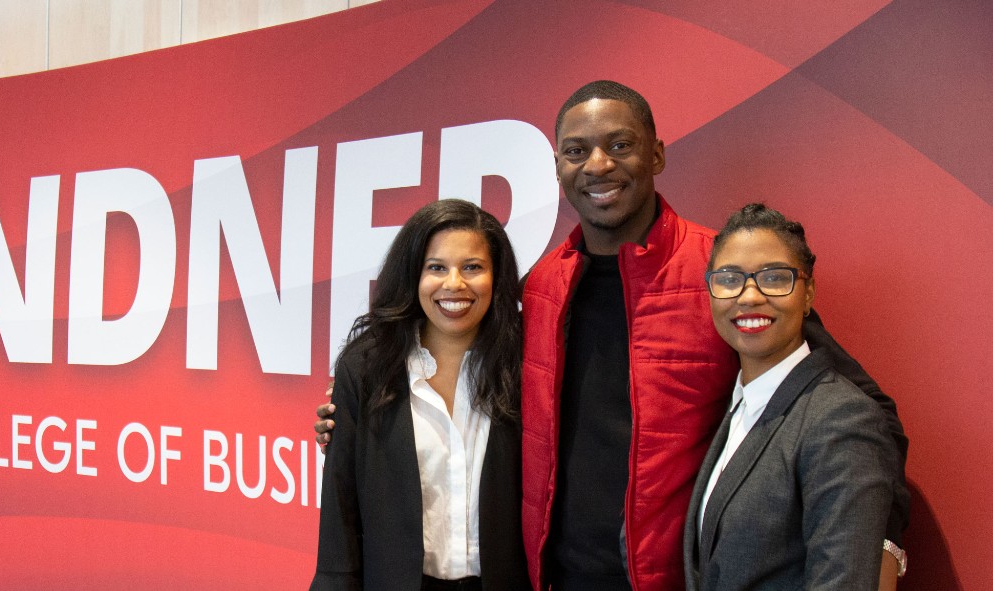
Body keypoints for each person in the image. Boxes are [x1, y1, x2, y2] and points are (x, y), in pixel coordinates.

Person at [318, 80, 908, 590]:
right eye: (576, 151)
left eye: (619, 145)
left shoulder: (723, 275)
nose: (597, 165)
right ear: (557, 167)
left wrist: (880, 542)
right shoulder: (543, 286)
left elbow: (859, 412)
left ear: (656, 154)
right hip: (556, 578)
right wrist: (354, 425)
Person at [311, 199, 532, 590]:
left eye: (472, 267)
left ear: (496, 277)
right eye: (436, 267)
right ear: (413, 274)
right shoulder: (366, 368)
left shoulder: (528, 362)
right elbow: (341, 505)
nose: (454, 284)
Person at [684, 203, 896, 590]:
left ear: (808, 292)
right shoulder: (739, 408)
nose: (748, 296)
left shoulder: (842, 420)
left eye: (774, 277)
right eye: (729, 279)